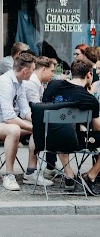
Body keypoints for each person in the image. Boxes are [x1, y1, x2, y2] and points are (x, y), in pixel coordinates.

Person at [0, 52, 48, 191]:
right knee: (14, 129)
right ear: (25, 70)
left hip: (3, 125)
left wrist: (41, 123)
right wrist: (36, 127)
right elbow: (10, 118)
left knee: (35, 128)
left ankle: (31, 172)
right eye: (32, 69)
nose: (33, 72)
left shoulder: (20, 83)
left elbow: (26, 111)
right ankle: (9, 175)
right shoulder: (5, 83)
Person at [36, 59, 99, 192]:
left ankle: (68, 173)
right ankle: (90, 176)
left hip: (46, 139)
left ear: (72, 73)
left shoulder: (53, 85)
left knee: (61, 128)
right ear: (88, 75)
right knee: (69, 132)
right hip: (74, 141)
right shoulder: (89, 99)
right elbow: (97, 129)